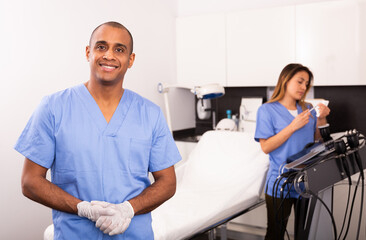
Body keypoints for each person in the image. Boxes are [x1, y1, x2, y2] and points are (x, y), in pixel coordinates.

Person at [15, 21, 181, 239]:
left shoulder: (150, 114)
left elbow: (168, 182)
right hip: (75, 234)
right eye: (101, 47)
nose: (109, 55)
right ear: (88, 52)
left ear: (130, 60)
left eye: (119, 49)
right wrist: (82, 208)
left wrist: (128, 209)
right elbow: (30, 182)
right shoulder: (53, 108)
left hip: (134, 234)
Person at [254, 63, 330, 239]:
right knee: (275, 234)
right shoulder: (267, 110)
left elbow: (317, 142)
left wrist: (323, 118)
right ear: (285, 80)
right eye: (300, 82)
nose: (304, 87)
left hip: (307, 181)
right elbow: (266, 147)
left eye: (307, 84)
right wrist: (292, 127)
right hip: (280, 184)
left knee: (305, 234)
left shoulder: (307, 108)